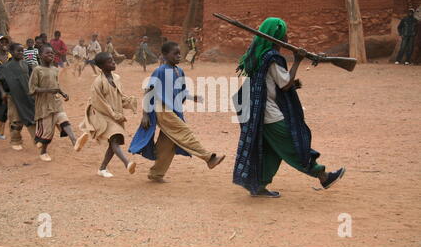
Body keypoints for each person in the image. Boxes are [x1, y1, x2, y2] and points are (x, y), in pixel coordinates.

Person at [233, 17, 346, 198]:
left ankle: (259, 185)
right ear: (277, 35)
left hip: (260, 113)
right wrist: (298, 60)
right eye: (285, 32)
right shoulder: (272, 57)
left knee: (272, 151)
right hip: (270, 115)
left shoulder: (260, 55)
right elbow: (285, 84)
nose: (288, 35)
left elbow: (271, 84)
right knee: (294, 145)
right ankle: (323, 176)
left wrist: (293, 83)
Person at [129, 41, 225, 183]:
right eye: (175, 53)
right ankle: (209, 157)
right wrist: (144, 114)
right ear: (165, 55)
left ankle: (156, 174)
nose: (179, 56)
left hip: (173, 109)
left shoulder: (179, 71)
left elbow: (181, 91)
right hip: (162, 110)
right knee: (184, 132)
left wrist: (193, 97)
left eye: (180, 53)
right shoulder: (160, 71)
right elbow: (148, 90)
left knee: (168, 144)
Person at [75, 52, 138, 178]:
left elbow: (119, 96)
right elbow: (99, 102)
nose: (113, 62)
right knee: (115, 137)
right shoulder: (98, 82)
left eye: (113, 60)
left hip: (116, 114)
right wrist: (113, 114)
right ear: (102, 66)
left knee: (113, 142)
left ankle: (102, 168)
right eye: (110, 61)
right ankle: (127, 163)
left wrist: (129, 102)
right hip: (103, 115)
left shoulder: (117, 78)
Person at [29, 45, 77, 162]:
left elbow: (56, 85)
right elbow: (32, 89)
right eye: (47, 53)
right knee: (48, 132)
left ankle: (75, 141)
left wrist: (63, 93)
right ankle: (43, 151)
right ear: (40, 56)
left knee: (64, 119)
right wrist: (48, 90)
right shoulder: (37, 70)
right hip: (44, 105)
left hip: (56, 102)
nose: (51, 55)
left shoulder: (55, 69)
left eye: (52, 53)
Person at [0, 43, 36, 151]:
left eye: (22, 51)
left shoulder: (26, 64)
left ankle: (37, 140)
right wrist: (3, 92)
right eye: (19, 51)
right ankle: (15, 140)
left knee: (31, 117)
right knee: (15, 119)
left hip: (27, 96)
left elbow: (31, 79)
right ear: (11, 52)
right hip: (13, 97)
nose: (21, 53)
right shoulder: (5, 66)